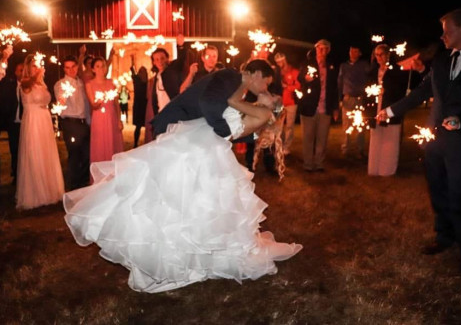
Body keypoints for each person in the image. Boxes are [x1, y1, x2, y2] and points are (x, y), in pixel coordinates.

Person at [63, 59, 302, 293]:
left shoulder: (249, 99)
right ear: (257, 74)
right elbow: (227, 118)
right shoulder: (234, 82)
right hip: (201, 137)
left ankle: (183, 252)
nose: (266, 90)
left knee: (183, 193)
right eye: (266, 85)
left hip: (205, 141)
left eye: (270, 93)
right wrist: (233, 125)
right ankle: (184, 250)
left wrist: (229, 122)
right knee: (183, 191)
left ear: (273, 105)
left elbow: (223, 110)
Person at [377, 8, 461, 273]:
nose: (442, 36)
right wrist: (391, 110)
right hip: (436, 140)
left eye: (447, 31)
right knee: (438, 188)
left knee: (460, 194)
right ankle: (444, 237)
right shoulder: (441, 62)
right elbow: (421, 92)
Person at [16, 54, 64, 209]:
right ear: (29, 67)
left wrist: (60, 102)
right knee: (34, 152)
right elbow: (27, 87)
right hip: (33, 121)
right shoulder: (25, 83)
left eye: (38, 66)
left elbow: (46, 101)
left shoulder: (42, 84)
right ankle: (36, 193)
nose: (38, 69)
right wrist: (36, 75)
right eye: (34, 66)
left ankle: (51, 191)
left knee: (46, 153)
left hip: (44, 120)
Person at [366, 44, 409, 176]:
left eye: (381, 54)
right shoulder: (372, 71)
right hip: (375, 109)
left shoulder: (396, 71)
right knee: (376, 139)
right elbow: (366, 91)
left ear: (387, 55)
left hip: (390, 109)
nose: (379, 57)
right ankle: (374, 168)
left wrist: (386, 91)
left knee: (390, 141)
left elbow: (400, 92)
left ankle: (387, 170)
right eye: (376, 55)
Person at [298, 39, 339, 172]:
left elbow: (334, 88)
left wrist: (335, 107)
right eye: (320, 48)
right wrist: (306, 79)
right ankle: (308, 164)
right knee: (308, 137)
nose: (322, 51)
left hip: (325, 107)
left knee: (322, 137)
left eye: (325, 49)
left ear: (328, 51)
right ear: (316, 49)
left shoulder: (331, 66)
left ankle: (319, 163)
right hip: (309, 106)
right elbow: (300, 78)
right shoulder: (308, 63)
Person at [54, 55, 91, 190]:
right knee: (74, 154)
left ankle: (82, 181)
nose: (71, 70)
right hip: (70, 123)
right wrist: (62, 99)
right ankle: (73, 184)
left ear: (77, 66)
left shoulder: (81, 83)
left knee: (87, 154)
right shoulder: (61, 84)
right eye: (67, 67)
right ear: (64, 69)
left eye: (73, 67)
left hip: (83, 123)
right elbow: (60, 98)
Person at [145, 34, 186, 143]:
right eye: (156, 59)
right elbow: (155, 100)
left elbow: (181, 61)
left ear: (167, 59)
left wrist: (180, 46)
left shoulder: (172, 71)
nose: (160, 61)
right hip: (161, 116)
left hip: (174, 115)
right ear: (153, 62)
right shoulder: (156, 78)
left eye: (162, 58)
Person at [85, 57, 124, 163]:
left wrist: (119, 120)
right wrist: (98, 102)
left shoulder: (111, 83)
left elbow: (116, 104)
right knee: (100, 145)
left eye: (103, 66)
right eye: (97, 66)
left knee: (112, 144)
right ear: (93, 69)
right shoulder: (89, 84)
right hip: (99, 118)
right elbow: (93, 105)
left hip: (112, 117)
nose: (101, 69)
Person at [338, 44, 370, 159]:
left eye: (355, 51)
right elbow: (340, 82)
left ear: (360, 53)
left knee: (360, 124)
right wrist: (340, 98)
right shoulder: (344, 66)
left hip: (360, 98)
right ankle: (345, 148)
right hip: (348, 98)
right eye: (351, 51)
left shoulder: (364, 65)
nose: (352, 53)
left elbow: (370, 75)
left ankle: (360, 149)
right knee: (346, 125)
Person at [0, 62, 23, 184]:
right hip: (13, 122)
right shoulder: (10, 85)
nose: (22, 72)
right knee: (14, 149)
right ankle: (15, 173)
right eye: (20, 70)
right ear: (15, 72)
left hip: (26, 122)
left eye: (24, 70)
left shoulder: (28, 86)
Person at [274, 52, 300, 155]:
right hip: (279, 103)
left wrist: (287, 87)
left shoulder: (294, 71)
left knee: (289, 126)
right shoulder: (277, 73)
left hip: (291, 103)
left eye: (281, 61)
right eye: (278, 62)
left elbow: (298, 86)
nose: (279, 63)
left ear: (285, 60)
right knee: (279, 126)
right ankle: (279, 145)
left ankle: (286, 147)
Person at [130, 55, 147, 148]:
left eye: (143, 71)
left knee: (145, 126)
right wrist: (132, 60)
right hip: (138, 106)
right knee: (138, 127)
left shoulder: (149, 82)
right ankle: (135, 143)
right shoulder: (137, 80)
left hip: (145, 106)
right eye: (141, 71)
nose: (142, 73)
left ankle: (145, 142)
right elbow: (132, 71)